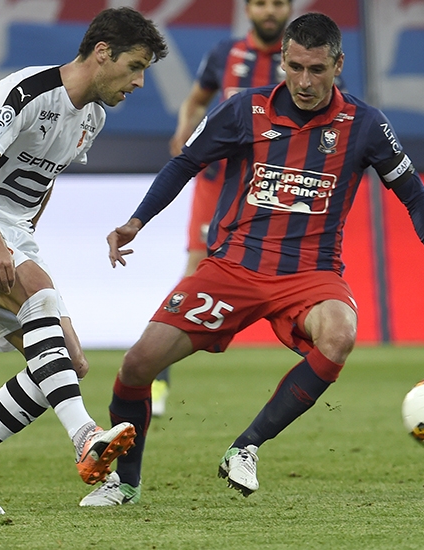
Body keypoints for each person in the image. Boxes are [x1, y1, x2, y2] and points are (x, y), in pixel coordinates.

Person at [81, 12, 424, 506]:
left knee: (341, 333)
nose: (305, 82)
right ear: (282, 60)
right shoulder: (245, 109)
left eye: (318, 70)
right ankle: (125, 484)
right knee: (137, 365)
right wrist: (136, 221)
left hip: (310, 273)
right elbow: (185, 163)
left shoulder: (365, 124)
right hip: (234, 267)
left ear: (338, 65)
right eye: (296, 67)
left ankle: (246, 447)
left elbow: (414, 193)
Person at [0, 8, 168, 514]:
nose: (139, 82)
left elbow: (42, 182)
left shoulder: (91, 117)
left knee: (64, 363)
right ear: (103, 54)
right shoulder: (27, 91)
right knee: (41, 303)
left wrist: (21, 246)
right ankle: (84, 436)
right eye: (135, 66)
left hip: (9, 234)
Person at [151, 0, 293, 417]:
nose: (270, 12)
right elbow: (196, 101)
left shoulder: (300, 58)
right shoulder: (224, 54)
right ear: (249, 9)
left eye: (278, 4)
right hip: (220, 184)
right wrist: (185, 129)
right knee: (197, 268)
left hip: (276, 187)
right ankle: (157, 375)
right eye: (262, 4)